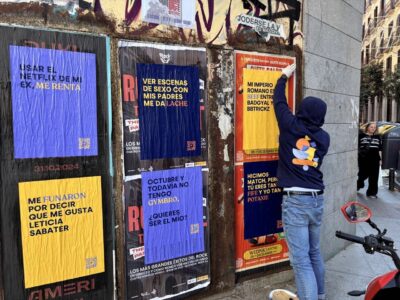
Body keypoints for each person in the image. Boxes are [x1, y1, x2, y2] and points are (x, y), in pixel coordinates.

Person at [272, 64, 330, 300]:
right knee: (314, 253)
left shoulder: (290, 126)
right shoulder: (324, 138)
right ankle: (320, 295)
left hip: (296, 201)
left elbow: (279, 102)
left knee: (301, 261)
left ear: (303, 111)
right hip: (317, 199)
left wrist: (283, 76)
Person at [357, 122, 382, 198]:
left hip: (375, 159)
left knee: (374, 176)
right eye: (371, 127)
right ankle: (358, 184)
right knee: (362, 174)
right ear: (367, 127)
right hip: (363, 159)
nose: (373, 128)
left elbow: (380, 149)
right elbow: (357, 147)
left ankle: (371, 193)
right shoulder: (361, 136)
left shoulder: (378, 137)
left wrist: (380, 159)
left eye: (374, 127)